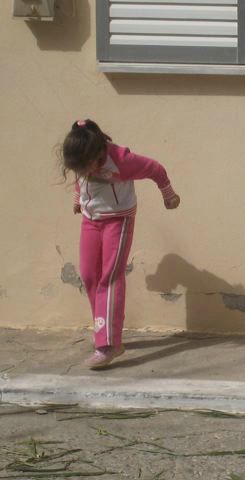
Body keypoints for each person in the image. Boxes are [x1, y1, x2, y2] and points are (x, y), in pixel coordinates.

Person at [59, 119, 180, 369]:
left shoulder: (122, 161)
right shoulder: (83, 161)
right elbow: (79, 178)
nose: (85, 172)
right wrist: (77, 199)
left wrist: (168, 195)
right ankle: (108, 333)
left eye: (87, 166)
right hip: (90, 220)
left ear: (98, 153)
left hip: (118, 220)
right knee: (90, 276)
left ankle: (108, 345)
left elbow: (156, 169)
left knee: (110, 277)